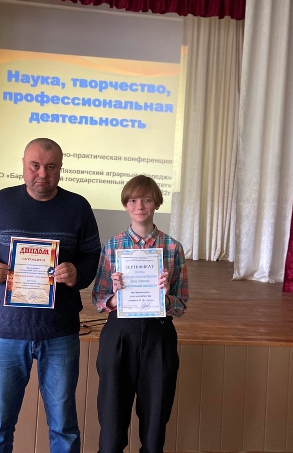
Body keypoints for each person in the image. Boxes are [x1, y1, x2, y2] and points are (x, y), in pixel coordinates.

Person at [0, 137, 101, 453]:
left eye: (51, 167)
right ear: (24, 166)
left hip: (60, 332)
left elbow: (91, 256)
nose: (43, 174)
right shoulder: (1, 202)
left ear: (60, 169)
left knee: (64, 429)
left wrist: (77, 273)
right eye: (35, 166)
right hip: (9, 330)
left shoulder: (78, 207)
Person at [92, 175, 189, 453]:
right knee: (112, 419)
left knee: (156, 420)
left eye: (146, 200)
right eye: (133, 200)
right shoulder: (112, 246)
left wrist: (165, 296)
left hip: (159, 334)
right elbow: (99, 298)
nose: (140, 206)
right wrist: (115, 295)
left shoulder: (172, 247)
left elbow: (181, 303)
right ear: (125, 204)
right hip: (119, 335)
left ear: (156, 203)